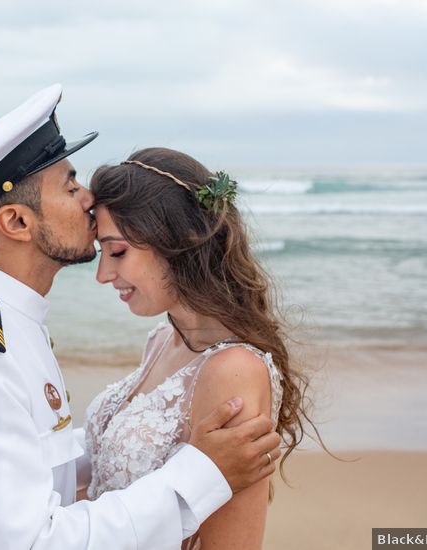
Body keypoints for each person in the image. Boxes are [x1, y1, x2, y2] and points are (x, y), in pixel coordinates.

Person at [0, 85, 282, 550]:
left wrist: (123, 446)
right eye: (70, 185)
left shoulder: (9, 323)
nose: (87, 197)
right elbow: (36, 541)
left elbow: (32, 459)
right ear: (17, 222)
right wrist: (200, 473)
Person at [84, 147, 317, 549]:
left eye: (117, 251)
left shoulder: (233, 372)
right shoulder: (162, 340)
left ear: (175, 241)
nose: (104, 275)